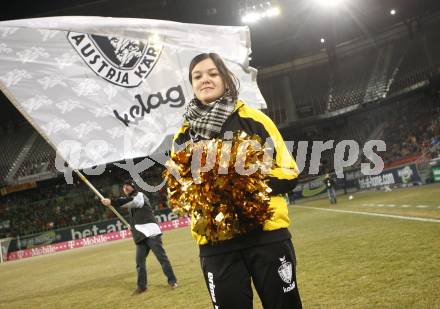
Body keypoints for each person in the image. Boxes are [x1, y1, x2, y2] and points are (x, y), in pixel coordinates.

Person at [171, 53, 302, 309]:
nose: (204, 80)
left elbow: (289, 172)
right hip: (216, 245)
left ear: (225, 78)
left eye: (212, 73)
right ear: (191, 83)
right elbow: (180, 187)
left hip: (266, 236)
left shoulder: (254, 120)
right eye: (197, 76)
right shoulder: (184, 134)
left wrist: (243, 185)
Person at [101, 180, 177, 295]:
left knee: (162, 259)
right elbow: (134, 211)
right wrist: (131, 226)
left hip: (151, 233)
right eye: (123, 187)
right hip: (140, 236)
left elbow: (132, 202)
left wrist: (111, 201)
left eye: (127, 186)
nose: (125, 188)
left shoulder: (139, 196)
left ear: (133, 187)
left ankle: (172, 281)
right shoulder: (130, 202)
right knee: (139, 262)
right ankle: (142, 286)